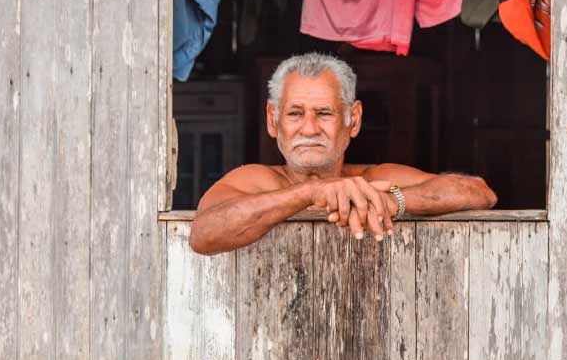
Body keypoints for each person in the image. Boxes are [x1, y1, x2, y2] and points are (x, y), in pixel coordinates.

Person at [189, 52, 498, 255]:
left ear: (354, 119)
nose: (309, 129)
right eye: (295, 114)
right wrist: (311, 192)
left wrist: (393, 201)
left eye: (324, 113)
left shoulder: (374, 180)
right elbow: (204, 234)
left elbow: (480, 193)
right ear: (273, 120)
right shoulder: (255, 179)